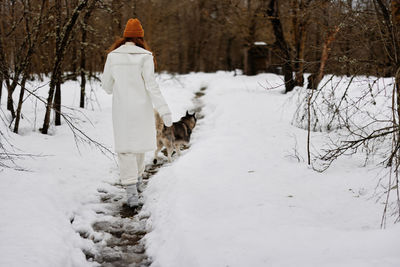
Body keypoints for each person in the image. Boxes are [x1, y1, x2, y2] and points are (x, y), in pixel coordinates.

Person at [101, 18, 172, 208]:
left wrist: (119, 84)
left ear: (125, 37)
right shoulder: (146, 56)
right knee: (139, 147)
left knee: (125, 149)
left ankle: (131, 192)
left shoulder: (113, 57)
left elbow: (106, 86)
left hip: (122, 110)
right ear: (141, 37)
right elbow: (152, 86)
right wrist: (165, 111)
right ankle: (138, 181)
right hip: (142, 109)